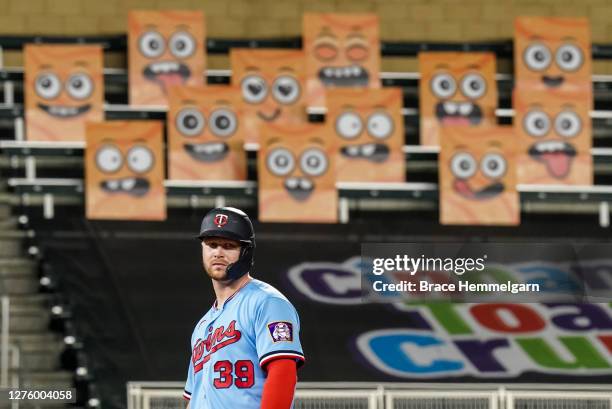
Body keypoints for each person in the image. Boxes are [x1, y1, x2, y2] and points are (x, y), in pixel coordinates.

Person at [184, 207, 305, 409]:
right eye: (211, 244)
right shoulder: (202, 326)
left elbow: (283, 372)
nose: (218, 252)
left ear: (246, 251)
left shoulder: (267, 302)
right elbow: (193, 397)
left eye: (228, 245)